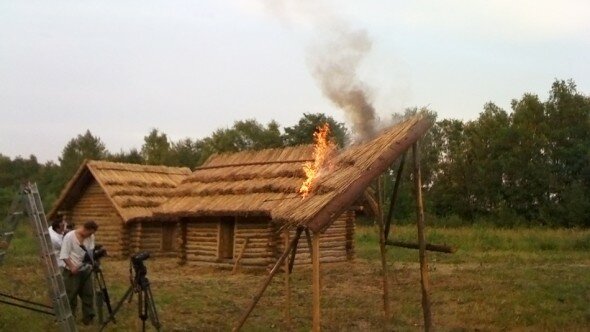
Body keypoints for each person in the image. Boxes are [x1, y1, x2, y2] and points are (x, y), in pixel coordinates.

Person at [60, 220, 98, 325]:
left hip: (85, 269)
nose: (90, 235)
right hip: (71, 271)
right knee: (71, 295)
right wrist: (72, 267)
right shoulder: (69, 237)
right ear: (85, 229)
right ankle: (69, 319)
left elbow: (90, 252)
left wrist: (91, 263)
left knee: (88, 293)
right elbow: (64, 255)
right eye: (89, 233)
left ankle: (88, 318)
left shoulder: (90, 237)